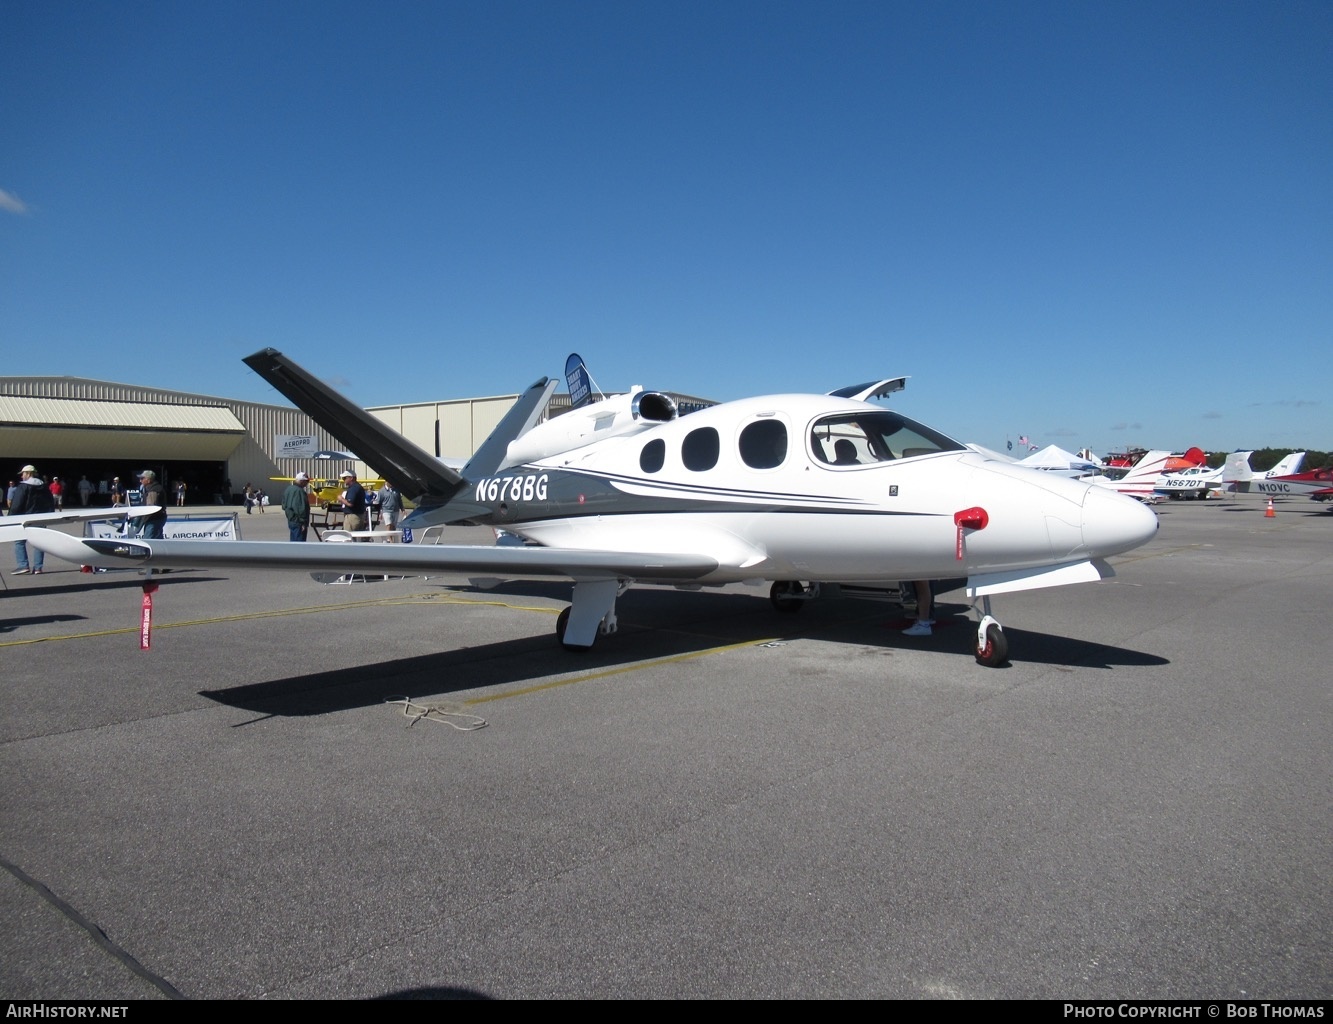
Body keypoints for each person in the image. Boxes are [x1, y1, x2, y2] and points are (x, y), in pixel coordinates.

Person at [10, 465, 54, 574]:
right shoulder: (44, 486)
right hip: (41, 518)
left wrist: (11, 516)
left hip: (25, 518)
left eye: (23, 473)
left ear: (28, 473)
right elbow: (50, 502)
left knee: (19, 541)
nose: (22, 476)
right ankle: (38, 567)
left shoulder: (23, 487)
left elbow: (17, 504)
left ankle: (23, 565)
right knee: (39, 543)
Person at [135, 470, 169, 540]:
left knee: (148, 541)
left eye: (142, 478)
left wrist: (140, 520)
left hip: (154, 519)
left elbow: (150, 508)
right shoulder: (151, 488)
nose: (140, 481)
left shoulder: (153, 490)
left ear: (148, 480)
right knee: (157, 540)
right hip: (156, 519)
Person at [282, 472, 312, 541]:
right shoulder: (300, 491)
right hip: (299, 522)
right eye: (306, 481)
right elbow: (301, 509)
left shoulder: (288, 489)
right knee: (300, 544)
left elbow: (284, 505)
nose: (307, 483)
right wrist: (303, 523)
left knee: (293, 543)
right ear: (301, 481)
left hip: (291, 520)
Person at [338, 470, 367, 535]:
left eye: (345, 478)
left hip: (352, 516)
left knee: (349, 537)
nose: (343, 480)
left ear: (351, 478)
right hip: (359, 515)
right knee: (358, 538)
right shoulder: (358, 487)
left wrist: (341, 499)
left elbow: (350, 503)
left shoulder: (354, 488)